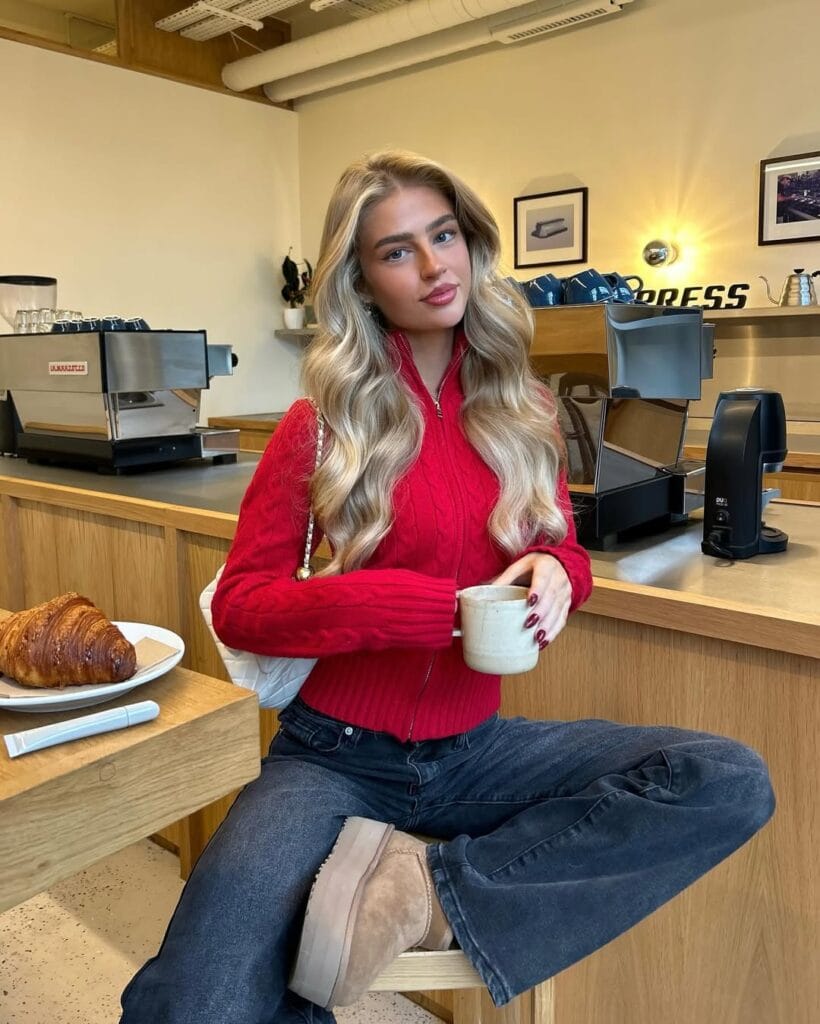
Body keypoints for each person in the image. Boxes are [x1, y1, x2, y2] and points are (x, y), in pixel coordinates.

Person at [120, 150, 775, 1023]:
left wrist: (558, 574)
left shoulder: (525, 412)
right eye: (398, 251)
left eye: (446, 235)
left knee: (724, 778)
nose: (434, 267)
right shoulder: (322, 427)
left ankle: (426, 894)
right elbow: (244, 605)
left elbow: (563, 550)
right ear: (361, 281)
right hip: (331, 756)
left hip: (475, 751)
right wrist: (404, 605)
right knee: (194, 1000)